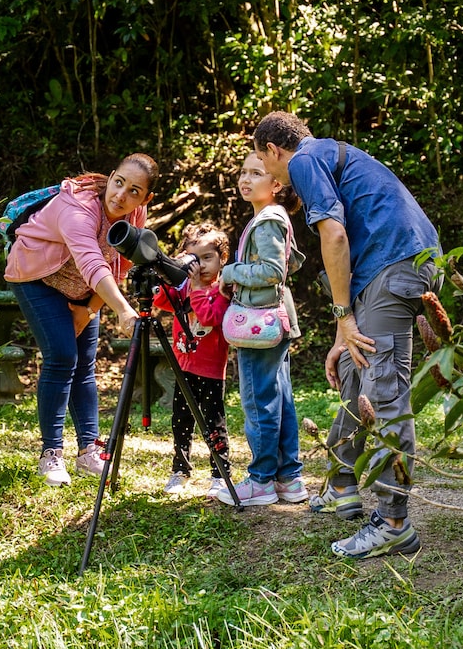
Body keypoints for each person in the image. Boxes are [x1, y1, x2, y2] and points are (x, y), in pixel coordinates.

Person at [252, 111, 442, 559]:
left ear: (274, 151)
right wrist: (345, 329)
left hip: (395, 265)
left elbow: (334, 238)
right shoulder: (332, 153)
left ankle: (393, 521)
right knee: (358, 375)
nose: (274, 180)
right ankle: (342, 484)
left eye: (265, 166)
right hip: (398, 264)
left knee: (384, 391)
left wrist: (341, 312)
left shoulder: (304, 160)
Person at [5, 154, 158, 486]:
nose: (121, 196)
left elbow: (119, 265)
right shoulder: (78, 207)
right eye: (118, 183)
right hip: (36, 276)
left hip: (85, 286)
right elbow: (92, 261)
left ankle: (89, 451)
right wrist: (122, 309)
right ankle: (51, 453)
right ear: (111, 175)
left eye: (134, 191)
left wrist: (89, 309)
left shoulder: (136, 216)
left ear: (146, 198)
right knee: (62, 356)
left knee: (85, 363)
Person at [214, 152, 307, 507]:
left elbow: (272, 270)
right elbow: (290, 262)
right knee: (279, 397)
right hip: (274, 317)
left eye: (257, 173)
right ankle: (290, 478)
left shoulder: (268, 220)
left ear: (276, 184)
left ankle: (261, 481)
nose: (246, 179)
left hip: (259, 322)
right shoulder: (273, 218)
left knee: (258, 400)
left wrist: (230, 272)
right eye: (243, 172)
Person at [152, 222, 232, 497]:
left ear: (223, 259)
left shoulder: (223, 289)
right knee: (181, 421)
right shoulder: (185, 286)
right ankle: (181, 470)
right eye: (194, 259)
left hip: (211, 370)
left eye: (208, 257)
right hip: (183, 366)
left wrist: (196, 286)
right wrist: (169, 274)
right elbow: (162, 301)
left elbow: (210, 317)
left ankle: (220, 473)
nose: (201, 265)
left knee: (213, 423)